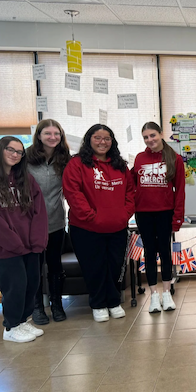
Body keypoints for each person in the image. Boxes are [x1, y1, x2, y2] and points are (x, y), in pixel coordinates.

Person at [0, 137, 48, 343]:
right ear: (0, 150)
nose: (15, 155)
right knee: (15, 286)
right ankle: (11, 326)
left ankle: (22, 321)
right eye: (10, 150)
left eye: (19, 152)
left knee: (31, 284)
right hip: (5, 247)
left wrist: (37, 240)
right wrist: (14, 243)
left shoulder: (25, 178)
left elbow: (38, 211)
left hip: (30, 245)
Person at [62, 125, 134, 322]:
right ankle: (98, 304)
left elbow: (130, 192)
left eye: (107, 138)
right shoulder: (76, 164)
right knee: (94, 266)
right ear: (89, 139)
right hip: (86, 228)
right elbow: (73, 194)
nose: (102, 142)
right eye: (97, 137)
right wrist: (91, 216)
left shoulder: (120, 166)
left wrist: (124, 215)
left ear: (112, 142)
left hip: (117, 226)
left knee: (114, 265)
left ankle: (113, 301)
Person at [133, 122, 185, 313]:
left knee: (165, 251)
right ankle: (153, 294)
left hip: (165, 212)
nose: (150, 140)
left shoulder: (175, 159)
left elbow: (180, 191)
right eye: (146, 137)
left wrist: (178, 217)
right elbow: (131, 184)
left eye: (153, 135)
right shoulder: (139, 158)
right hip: (143, 213)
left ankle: (166, 292)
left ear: (161, 134)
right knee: (149, 251)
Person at [25, 119, 71, 324]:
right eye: (48, 133)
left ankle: (57, 304)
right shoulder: (25, 157)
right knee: (34, 266)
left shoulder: (66, 160)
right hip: (30, 223)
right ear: (39, 136)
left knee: (55, 265)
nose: (53, 137)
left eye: (57, 134)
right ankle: (37, 307)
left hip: (56, 221)